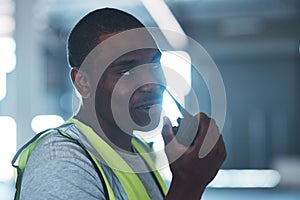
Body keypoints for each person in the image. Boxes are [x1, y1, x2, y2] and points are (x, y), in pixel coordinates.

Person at [12, 8, 226, 200]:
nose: (150, 84)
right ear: (84, 83)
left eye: (154, 65)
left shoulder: (138, 153)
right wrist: (188, 186)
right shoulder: (59, 163)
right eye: (127, 71)